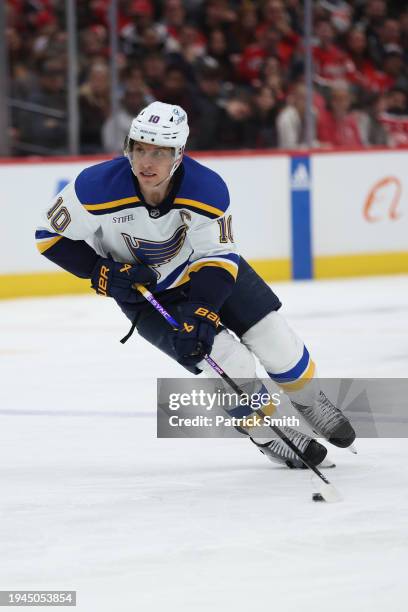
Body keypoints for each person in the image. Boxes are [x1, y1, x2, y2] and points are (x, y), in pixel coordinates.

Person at [35, 101, 355, 468]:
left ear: (179, 154)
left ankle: (310, 400)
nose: (146, 162)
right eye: (139, 148)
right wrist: (101, 273)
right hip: (148, 296)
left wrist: (202, 310)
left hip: (207, 273)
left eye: (159, 152)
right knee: (229, 362)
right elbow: (48, 236)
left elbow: (216, 258)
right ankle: (268, 434)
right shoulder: (94, 187)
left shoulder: (207, 189)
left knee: (275, 340)